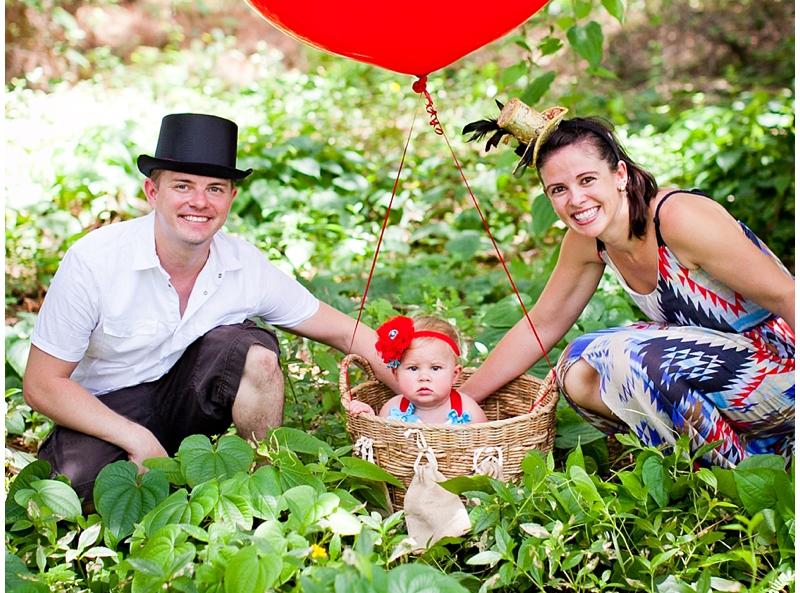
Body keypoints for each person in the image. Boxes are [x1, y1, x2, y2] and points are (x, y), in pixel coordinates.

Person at [23, 112, 396, 502]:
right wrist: (137, 438)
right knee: (81, 489)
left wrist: (429, 388)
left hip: (189, 402)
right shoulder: (94, 261)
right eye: (183, 185)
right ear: (153, 192)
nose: (199, 202)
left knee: (256, 355)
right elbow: (41, 383)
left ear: (231, 198)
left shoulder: (244, 264)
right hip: (108, 406)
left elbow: (343, 332)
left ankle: (265, 485)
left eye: (215, 189)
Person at [460, 104, 794, 468]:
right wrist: (459, 401)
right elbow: (542, 325)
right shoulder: (587, 241)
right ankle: (747, 463)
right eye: (558, 189)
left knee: (627, 355)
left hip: (782, 371)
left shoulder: (677, 219)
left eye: (587, 180)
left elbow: (787, 294)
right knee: (578, 366)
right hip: (720, 380)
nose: (576, 200)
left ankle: (747, 474)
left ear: (619, 174)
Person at [349, 314, 487, 425]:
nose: (424, 377)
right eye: (413, 368)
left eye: (435, 368)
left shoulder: (468, 411)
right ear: (396, 375)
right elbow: (381, 440)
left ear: (454, 375)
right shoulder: (393, 410)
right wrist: (369, 417)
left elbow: (487, 443)